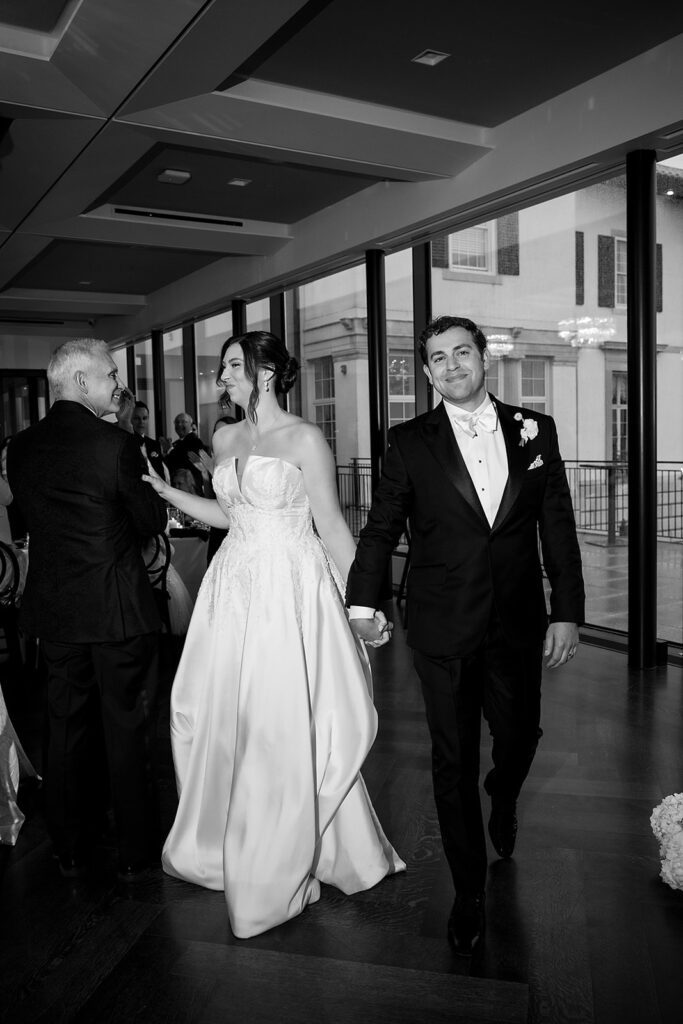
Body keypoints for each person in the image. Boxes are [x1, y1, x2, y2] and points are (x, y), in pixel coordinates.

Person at [142, 330, 404, 938]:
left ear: (264, 373)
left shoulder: (306, 438)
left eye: (232, 366)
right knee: (223, 716)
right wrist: (168, 491)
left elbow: (333, 527)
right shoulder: (226, 436)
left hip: (290, 589)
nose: (221, 378)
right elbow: (228, 517)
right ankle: (228, 842)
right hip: (231, 589)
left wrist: (362, 604)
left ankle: (285, 858)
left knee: (279, 719)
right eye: (222, 368)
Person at [346, 315, 585, 956]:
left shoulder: (536, 430)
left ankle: (503, 795)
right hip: (441, 624)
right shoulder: (406, 441)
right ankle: (468, 890)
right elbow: (380, 527)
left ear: (484, 359)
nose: (450, 365)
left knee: (518, 736)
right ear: (426, 373)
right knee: (451, 762)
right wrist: (361, 602)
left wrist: (567, 609)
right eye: (437, 358)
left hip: (516, 621)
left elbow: (556, 524)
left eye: (461, 353)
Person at [7, 338, 168, 880]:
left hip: (54, 610)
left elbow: (33, 522)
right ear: (80, 382)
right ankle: (135, 848)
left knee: (64, 726)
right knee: (129, 727)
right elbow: (149, 523)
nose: (117, 386)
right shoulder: (116, 444)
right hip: (116, 607)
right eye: (109, 376)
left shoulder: (20, 448)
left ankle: (69, 844)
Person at [164, 411, 208, 493]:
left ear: (191, 425)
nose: (179, 425)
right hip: (177, 486)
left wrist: (169, 450)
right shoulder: (176, 443)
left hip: (189, 487)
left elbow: (184, 462)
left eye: (183, 422)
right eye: (177, 422)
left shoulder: (195, 441)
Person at [131, 401, 170, 482]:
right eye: (137, 418)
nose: (141, 422)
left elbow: (161, 472)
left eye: (144, 418)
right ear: (130, 419)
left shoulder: (155, 444)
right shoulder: (125, 442)